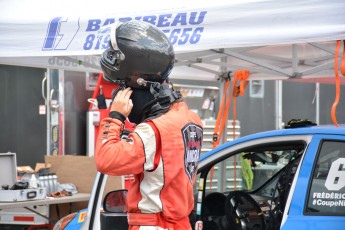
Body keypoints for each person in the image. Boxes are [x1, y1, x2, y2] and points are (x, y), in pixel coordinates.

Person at [95, 20, 204, 230]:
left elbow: (105, 160)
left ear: (136, 82)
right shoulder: (191, 120)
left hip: (154, 224)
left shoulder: (154, 131)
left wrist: (116, 116)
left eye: (123, 85)